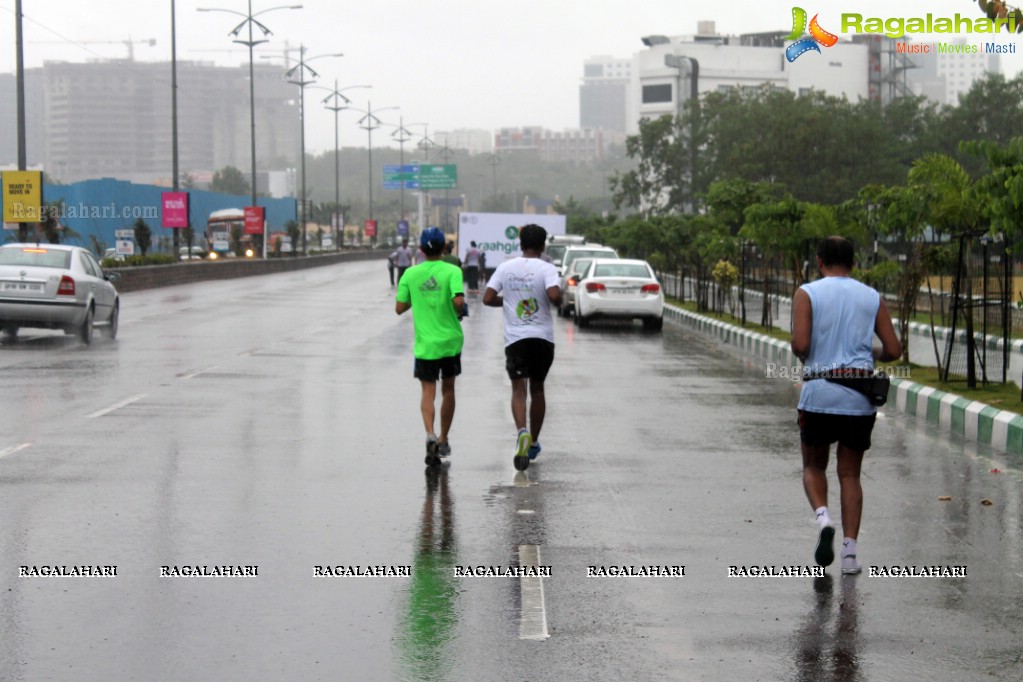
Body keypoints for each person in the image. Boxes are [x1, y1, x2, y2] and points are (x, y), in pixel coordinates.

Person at [791, 236, 901, 575]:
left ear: (820, 261)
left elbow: (801, 345)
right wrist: (871, 354)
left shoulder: (807, 293)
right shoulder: (871, 296)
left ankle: (824, 519)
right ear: (853, 264)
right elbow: (894, 351)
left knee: (813, 467)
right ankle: (850, 555)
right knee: (850, 473)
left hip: (820, 394)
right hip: (858, 399)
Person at [482, 224, 562, 471]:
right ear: (543, 246)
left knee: (519, 389)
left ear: (520, 244)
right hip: (542, 339)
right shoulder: (547, 268)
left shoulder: (505, 268)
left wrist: (508, 302)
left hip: (515, 339)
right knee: (538, 389)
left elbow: (487, 298)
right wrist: (550, 294)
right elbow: (554, 296)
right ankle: (534, 442)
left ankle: (522, 432)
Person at [396, 227, 467, 466]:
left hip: (425, 345)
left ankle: (430, 433)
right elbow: (458, 301)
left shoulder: (410, 274)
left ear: (420, 249)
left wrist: (418, 298)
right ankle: (444, 438)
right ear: (444, 248)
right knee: (449, 389)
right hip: (449, 343)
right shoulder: (453, 270)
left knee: (428, 392)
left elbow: (399, 307)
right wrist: (459, 307)